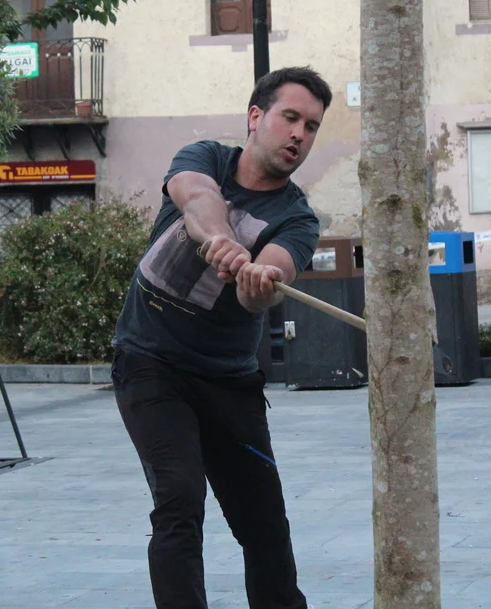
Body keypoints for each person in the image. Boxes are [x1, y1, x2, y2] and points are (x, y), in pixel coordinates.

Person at [111, 66, 330, 609]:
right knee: (179, 500)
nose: (299, 134)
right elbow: (195, 197)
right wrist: (222, 238)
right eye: (290, 117)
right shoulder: (205, 157)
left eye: (311, 126)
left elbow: (268, 284)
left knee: (265, 527)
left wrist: (260, 282)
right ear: (256, 116)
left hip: (229, 381)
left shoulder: (298, 218)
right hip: (151, 364)